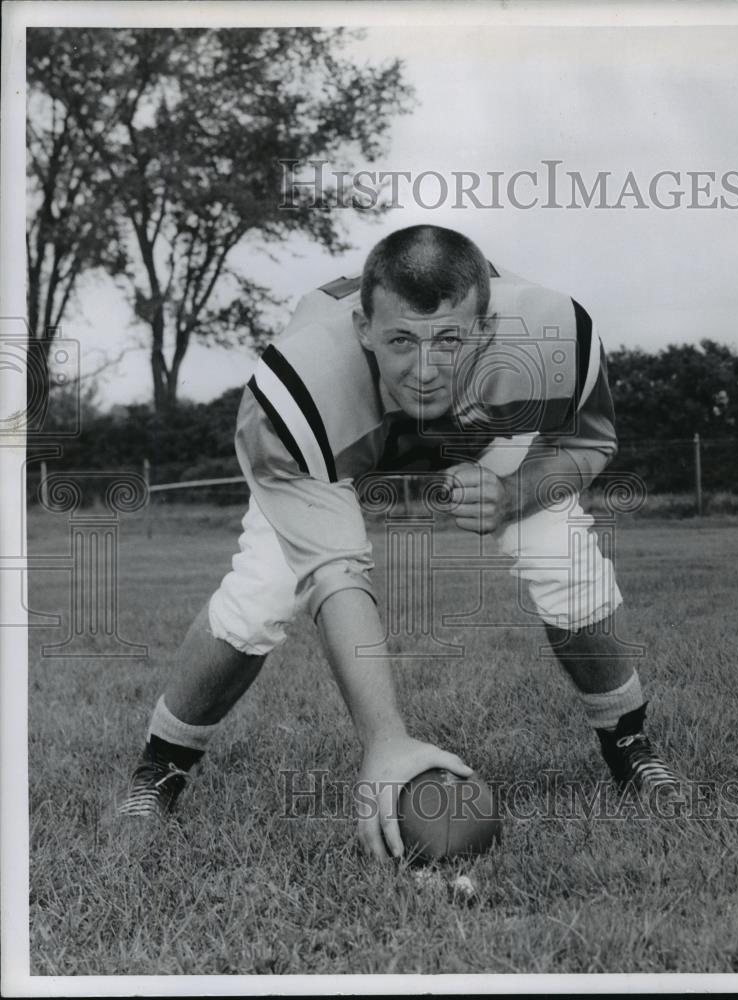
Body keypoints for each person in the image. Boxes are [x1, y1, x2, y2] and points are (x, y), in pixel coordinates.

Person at [117, 225, 680, 859]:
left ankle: (629, 742)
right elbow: (336, 572)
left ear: (487, 328)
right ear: (363, 328)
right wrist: (385, 740)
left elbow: (589, 442)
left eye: (449, 339)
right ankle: (159, 768)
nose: (424, 369)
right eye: (400, 340)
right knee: (263, 590)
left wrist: (516, 493)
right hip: (341, 433)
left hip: (487, 425)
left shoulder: (551, 340)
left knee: (562, 551)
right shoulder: (294, 391)